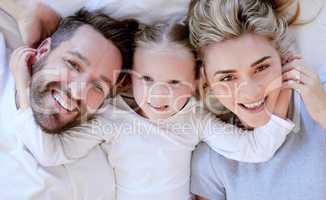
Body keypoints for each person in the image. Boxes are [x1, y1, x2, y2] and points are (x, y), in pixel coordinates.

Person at [12, 22, 294, 200]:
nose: (159, 95)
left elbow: (254, 149)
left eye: (174, 83)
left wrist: (285, 90)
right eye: (147, 80)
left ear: (196, 83)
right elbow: (49, 152)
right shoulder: (112, 119)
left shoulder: (195, 118)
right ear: (127, 78)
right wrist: (24, 85)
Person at [188, 0, 326, 199]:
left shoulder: (320, 95)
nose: (251, 93)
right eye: (227, 78)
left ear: (282, 56)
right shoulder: (210, 161)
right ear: (206, 80)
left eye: (261, 68)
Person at [0, 10, 137, 200]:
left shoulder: (101, 136)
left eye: (98, 86)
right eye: (73, 64)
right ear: (41, 51)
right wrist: (26, 13)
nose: (77, 91)